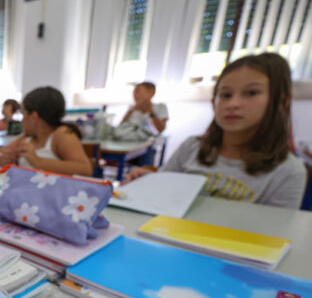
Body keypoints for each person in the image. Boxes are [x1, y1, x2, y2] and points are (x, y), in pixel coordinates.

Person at [125, 53, 307, 209]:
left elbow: (275, 235)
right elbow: (164, 189)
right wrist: (150, 181)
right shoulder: (191, 148)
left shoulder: (290, 171)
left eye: (251, 93)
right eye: (225, 95)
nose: (233, 104)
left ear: (282, 101)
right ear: (214, 102)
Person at [0, 86, 93, 176]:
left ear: (34, 117)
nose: (22, 120)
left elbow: (85, 169)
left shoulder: (61, 134)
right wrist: (3, 159)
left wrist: (37, 161)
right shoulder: (28, 137)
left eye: (24, 115)